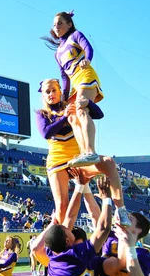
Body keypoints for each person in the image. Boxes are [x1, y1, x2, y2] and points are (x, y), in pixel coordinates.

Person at [36, 78, 131, 227]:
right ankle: (64, 240)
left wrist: (87, 103)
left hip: (79, 159)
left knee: (109, 163)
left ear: (60, 91)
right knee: (61, 206)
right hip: (57, 162)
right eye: (47, 91)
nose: (51, 94)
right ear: (42, 96)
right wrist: (65, 117)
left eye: (54, 90)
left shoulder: (71, 105)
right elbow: (45, 132)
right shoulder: (42, 113)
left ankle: (121, 210)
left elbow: (99, 114)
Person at [46, 10, 104, 166]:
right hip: (75, 83)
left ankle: (91, 152)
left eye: (60, 23)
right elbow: (64, 76)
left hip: (86, 76)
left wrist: (87, 59)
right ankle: (84, 152)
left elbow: (88, 48)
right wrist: (64, 95)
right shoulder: (57, 53)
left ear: (69, 24)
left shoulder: (76, 35)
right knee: (71, 116)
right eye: (54, 24)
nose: (56, 27)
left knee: (81, 108)